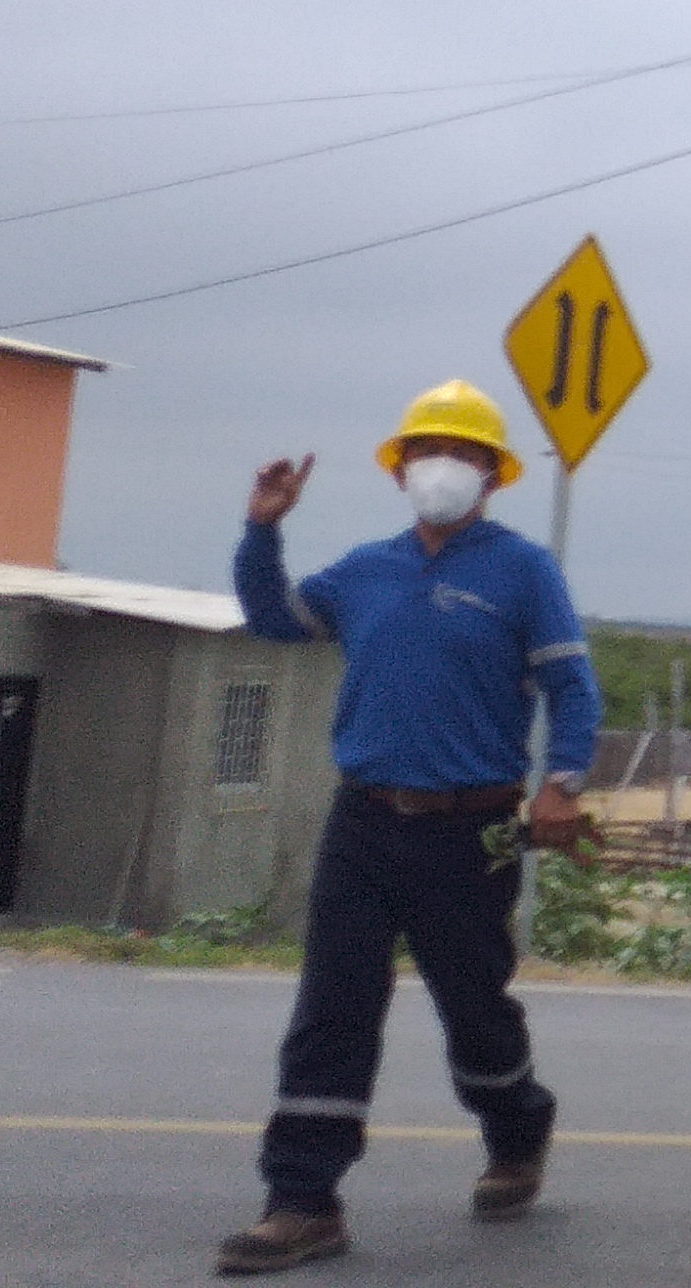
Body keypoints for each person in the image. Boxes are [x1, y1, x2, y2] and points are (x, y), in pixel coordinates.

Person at [212, 380, 600, 1276]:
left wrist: (563, 783)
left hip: (471, 830)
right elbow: (274, 620)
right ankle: (302, 1203)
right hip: (364, 821)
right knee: (333, 1008)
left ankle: (517, 1129)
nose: (445, 467)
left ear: (494, 475)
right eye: (429, 451)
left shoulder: (523, 570)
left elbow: (572, 687)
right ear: (399, 471)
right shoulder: (364, 571)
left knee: (474, 1007)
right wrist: (262, 529)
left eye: (465, 454)